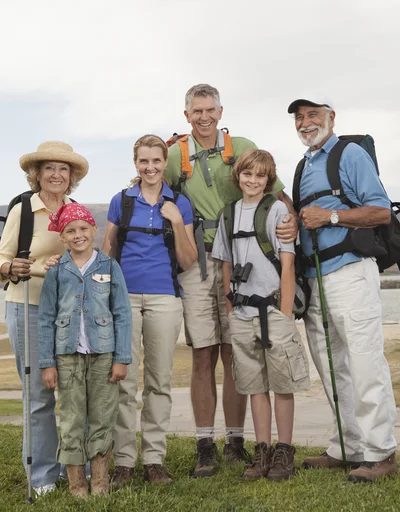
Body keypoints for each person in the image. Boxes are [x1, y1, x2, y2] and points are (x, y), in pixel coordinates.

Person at [163, 84, 298, 477]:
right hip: (196, 259)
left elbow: (274, 190)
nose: (204, 117)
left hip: (241, 258)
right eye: (196, 111)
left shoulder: (240, 145)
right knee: (203, 352)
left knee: (235, 352)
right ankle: (206, 443)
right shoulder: (174, 155)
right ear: (186, 115)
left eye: (210, 110)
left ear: (221, 112)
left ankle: (237, 441)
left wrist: (290, 223)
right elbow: (153, 189)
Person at [288, 95, 398, 482]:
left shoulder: (350, 154)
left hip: (351, 273)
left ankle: (382, 452)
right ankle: (347, 447)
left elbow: (381, 210)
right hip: (316, 280)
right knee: (332, 367)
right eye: (300, 117)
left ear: (331, 117)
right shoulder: (303, 166)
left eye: (313, 114)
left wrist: (331, 215)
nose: (305, 122)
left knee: (366, 362)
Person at [102, 134, 197, 487]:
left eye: (157, 161)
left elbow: (188, 262)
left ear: (165, 163)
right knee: (124, 381)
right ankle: (124, 461)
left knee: (159, 382)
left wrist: (174, 220)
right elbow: (108, 252)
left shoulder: (179, 203)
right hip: (124, 299)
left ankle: (154, 460)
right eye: (144, 161)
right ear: (136, 164)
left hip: (164, 299)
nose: (151, 167)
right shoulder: (121, 201)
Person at [212, 149, 310, 481]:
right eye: (247, 174)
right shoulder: (228, 214)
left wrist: (284, 312)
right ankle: (263, 450)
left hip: (273, 311)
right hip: (241, 313)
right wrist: (229, 308)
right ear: (237, 176)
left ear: (268, 180)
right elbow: (226, 264)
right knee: (255, 386)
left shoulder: (277, 210)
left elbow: (287, 263)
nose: (253, 181)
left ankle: (284, 450)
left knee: (282, 383)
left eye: (260, 176)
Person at [0, 141, 88, 496]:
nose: (56, 175)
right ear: (36, 174)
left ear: (71, 177)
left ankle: (71, 468)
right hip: (28, 305)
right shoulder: (23, 207)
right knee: (39, 395)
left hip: (69, 310)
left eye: (63, 169)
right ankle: (42, 478)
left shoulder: (76, 210)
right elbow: (2, 260)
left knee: (72, 392)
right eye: (49, 168)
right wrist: (15, 266)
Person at [38, 203, 132, 497]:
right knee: (71, 417)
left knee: (103, 415)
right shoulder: (57, 271)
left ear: (94, 230)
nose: (78, 235)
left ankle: (100, 479)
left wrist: (121, 358)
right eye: (71, 231)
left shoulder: (109, 266)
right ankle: (77, 481)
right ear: (63, 237)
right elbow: (45, 318)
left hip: (103, 355)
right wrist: (47, 362)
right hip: (66, 356)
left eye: (83, 229)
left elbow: (122, 314)